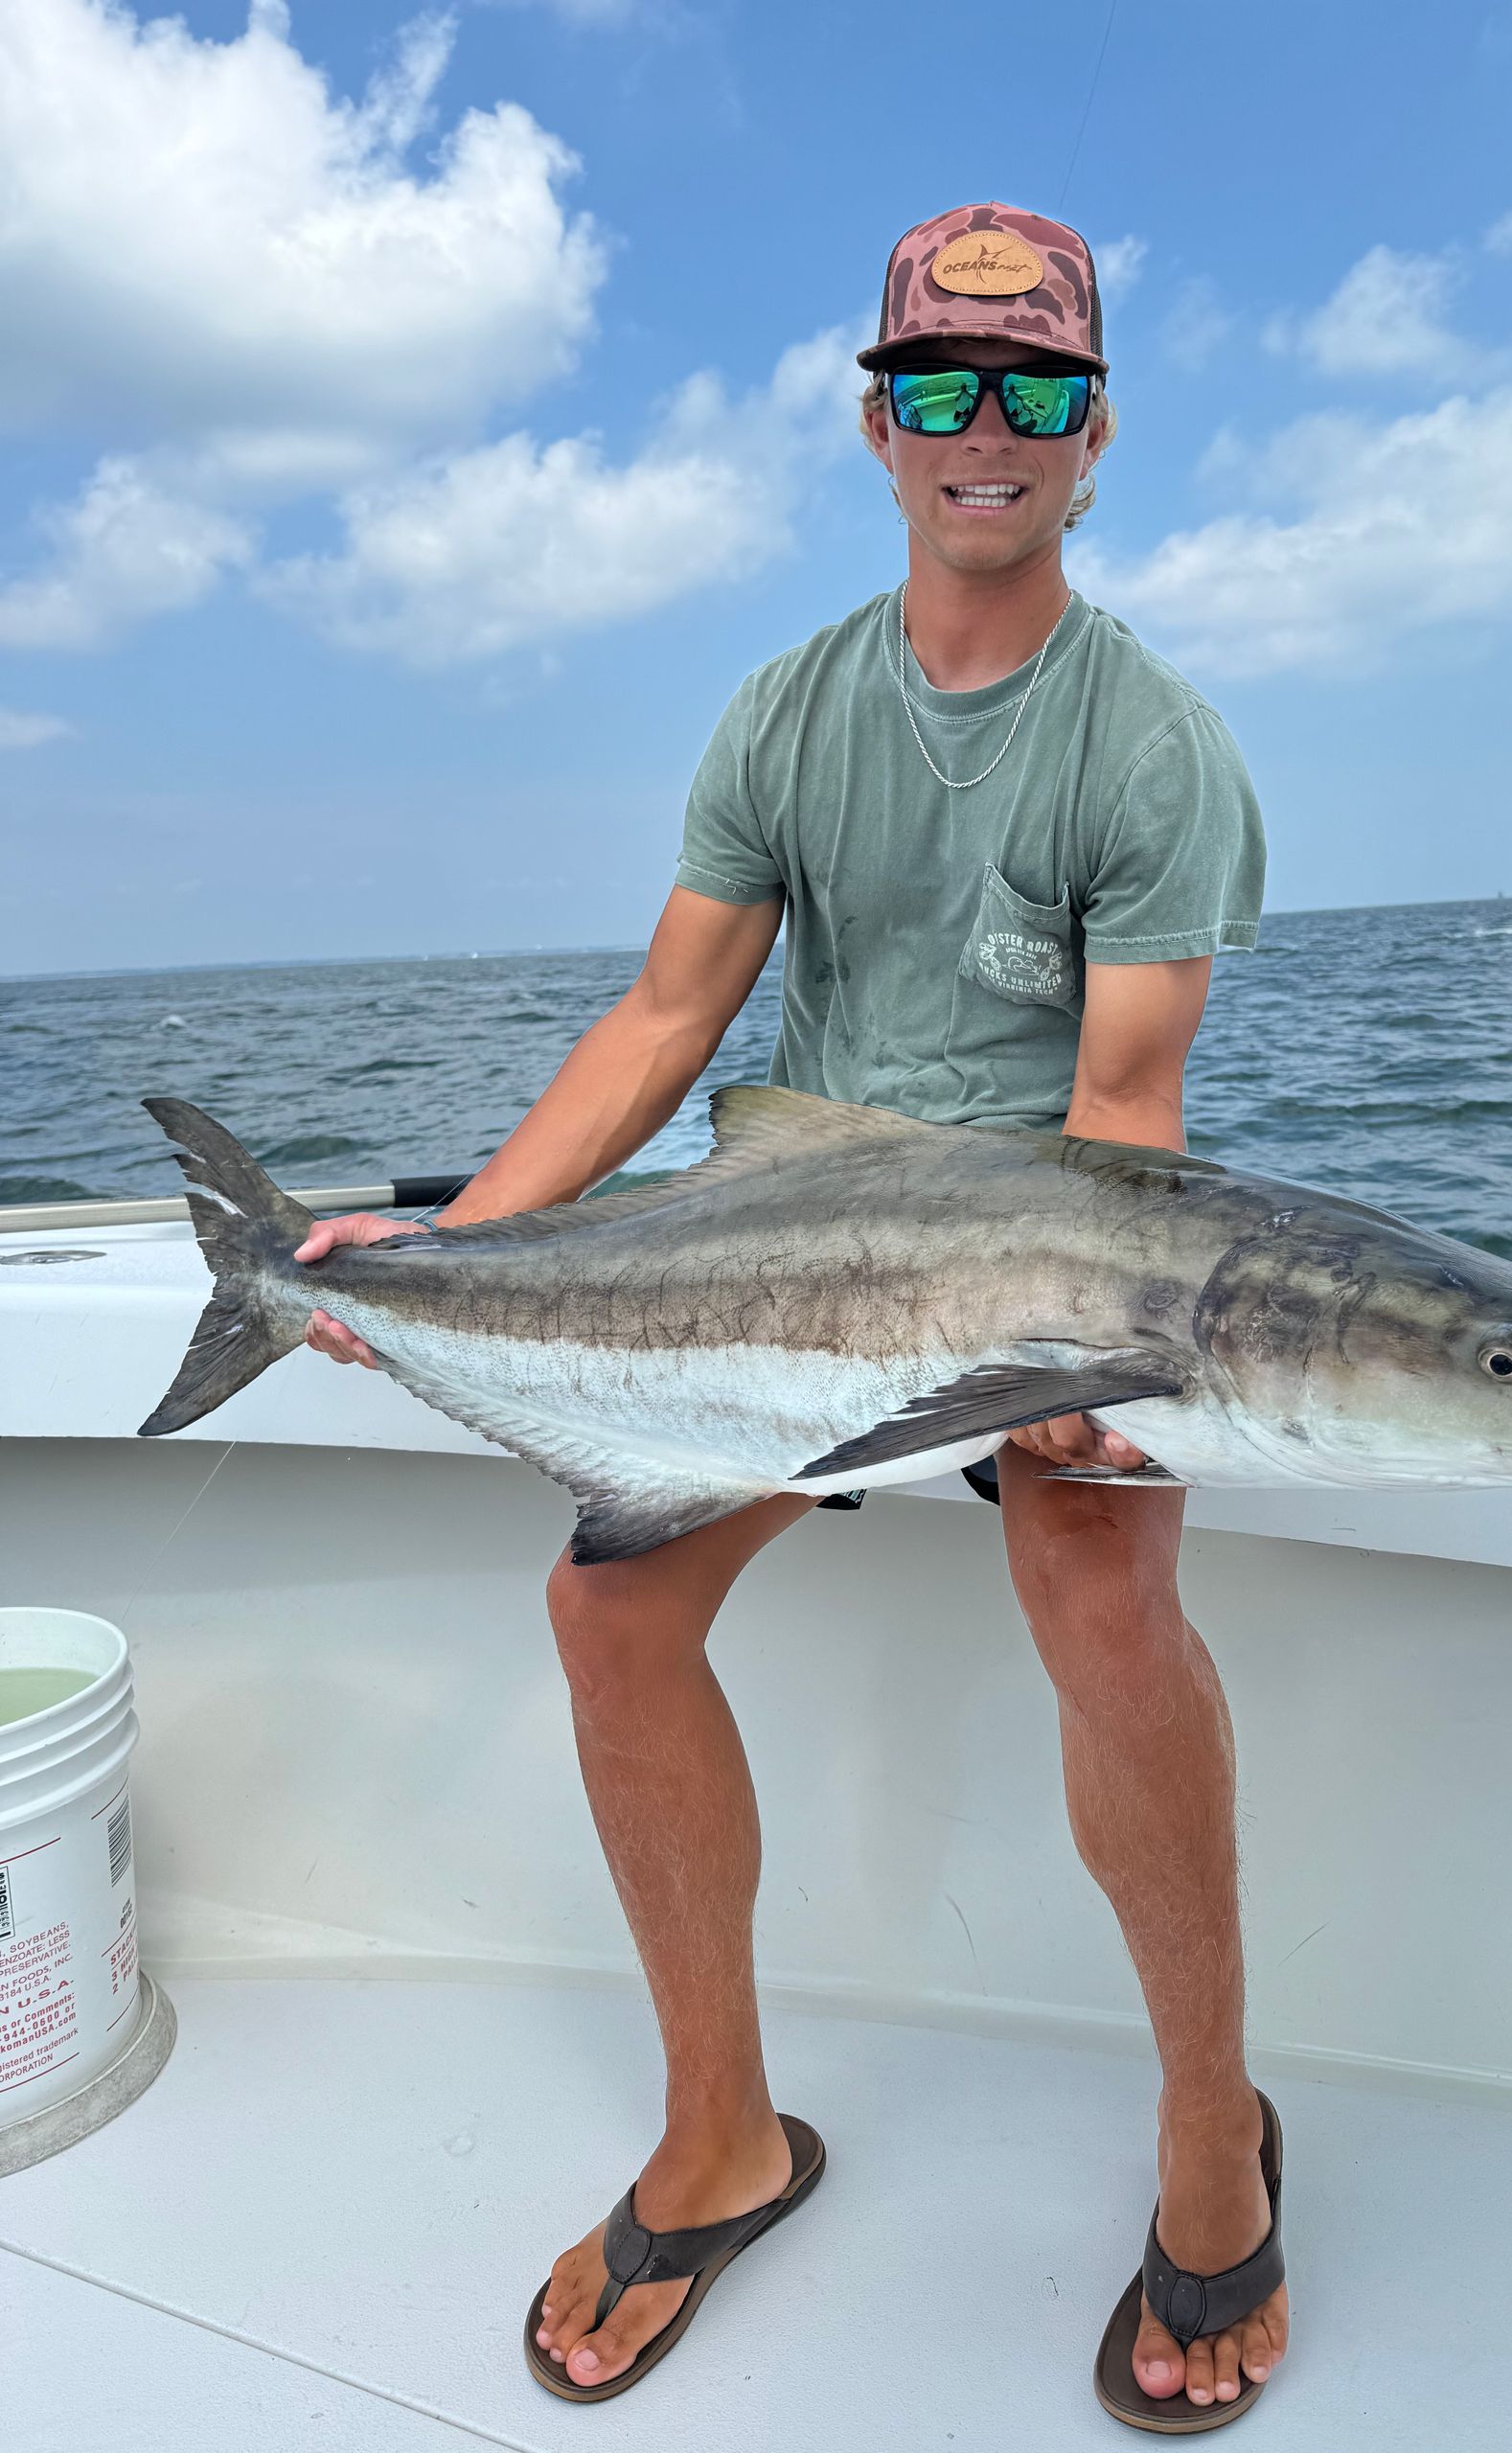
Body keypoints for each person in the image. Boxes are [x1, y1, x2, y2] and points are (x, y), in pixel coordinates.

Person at [296, 202, 1288, 2430]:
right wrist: (442, 1250)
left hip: (1042, 1259)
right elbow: (667, 1019)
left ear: (1096, 433)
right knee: (607, 1610)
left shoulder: (1153, 749)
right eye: (938, 384)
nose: (985, 431)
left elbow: (1127, 1106)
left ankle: (1212, 2128)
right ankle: (724, 2130)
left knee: (1109, 1597)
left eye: (1034, 390)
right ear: (877, 422)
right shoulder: (787, 710)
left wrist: (1081, 1384)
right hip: (798, 1244)